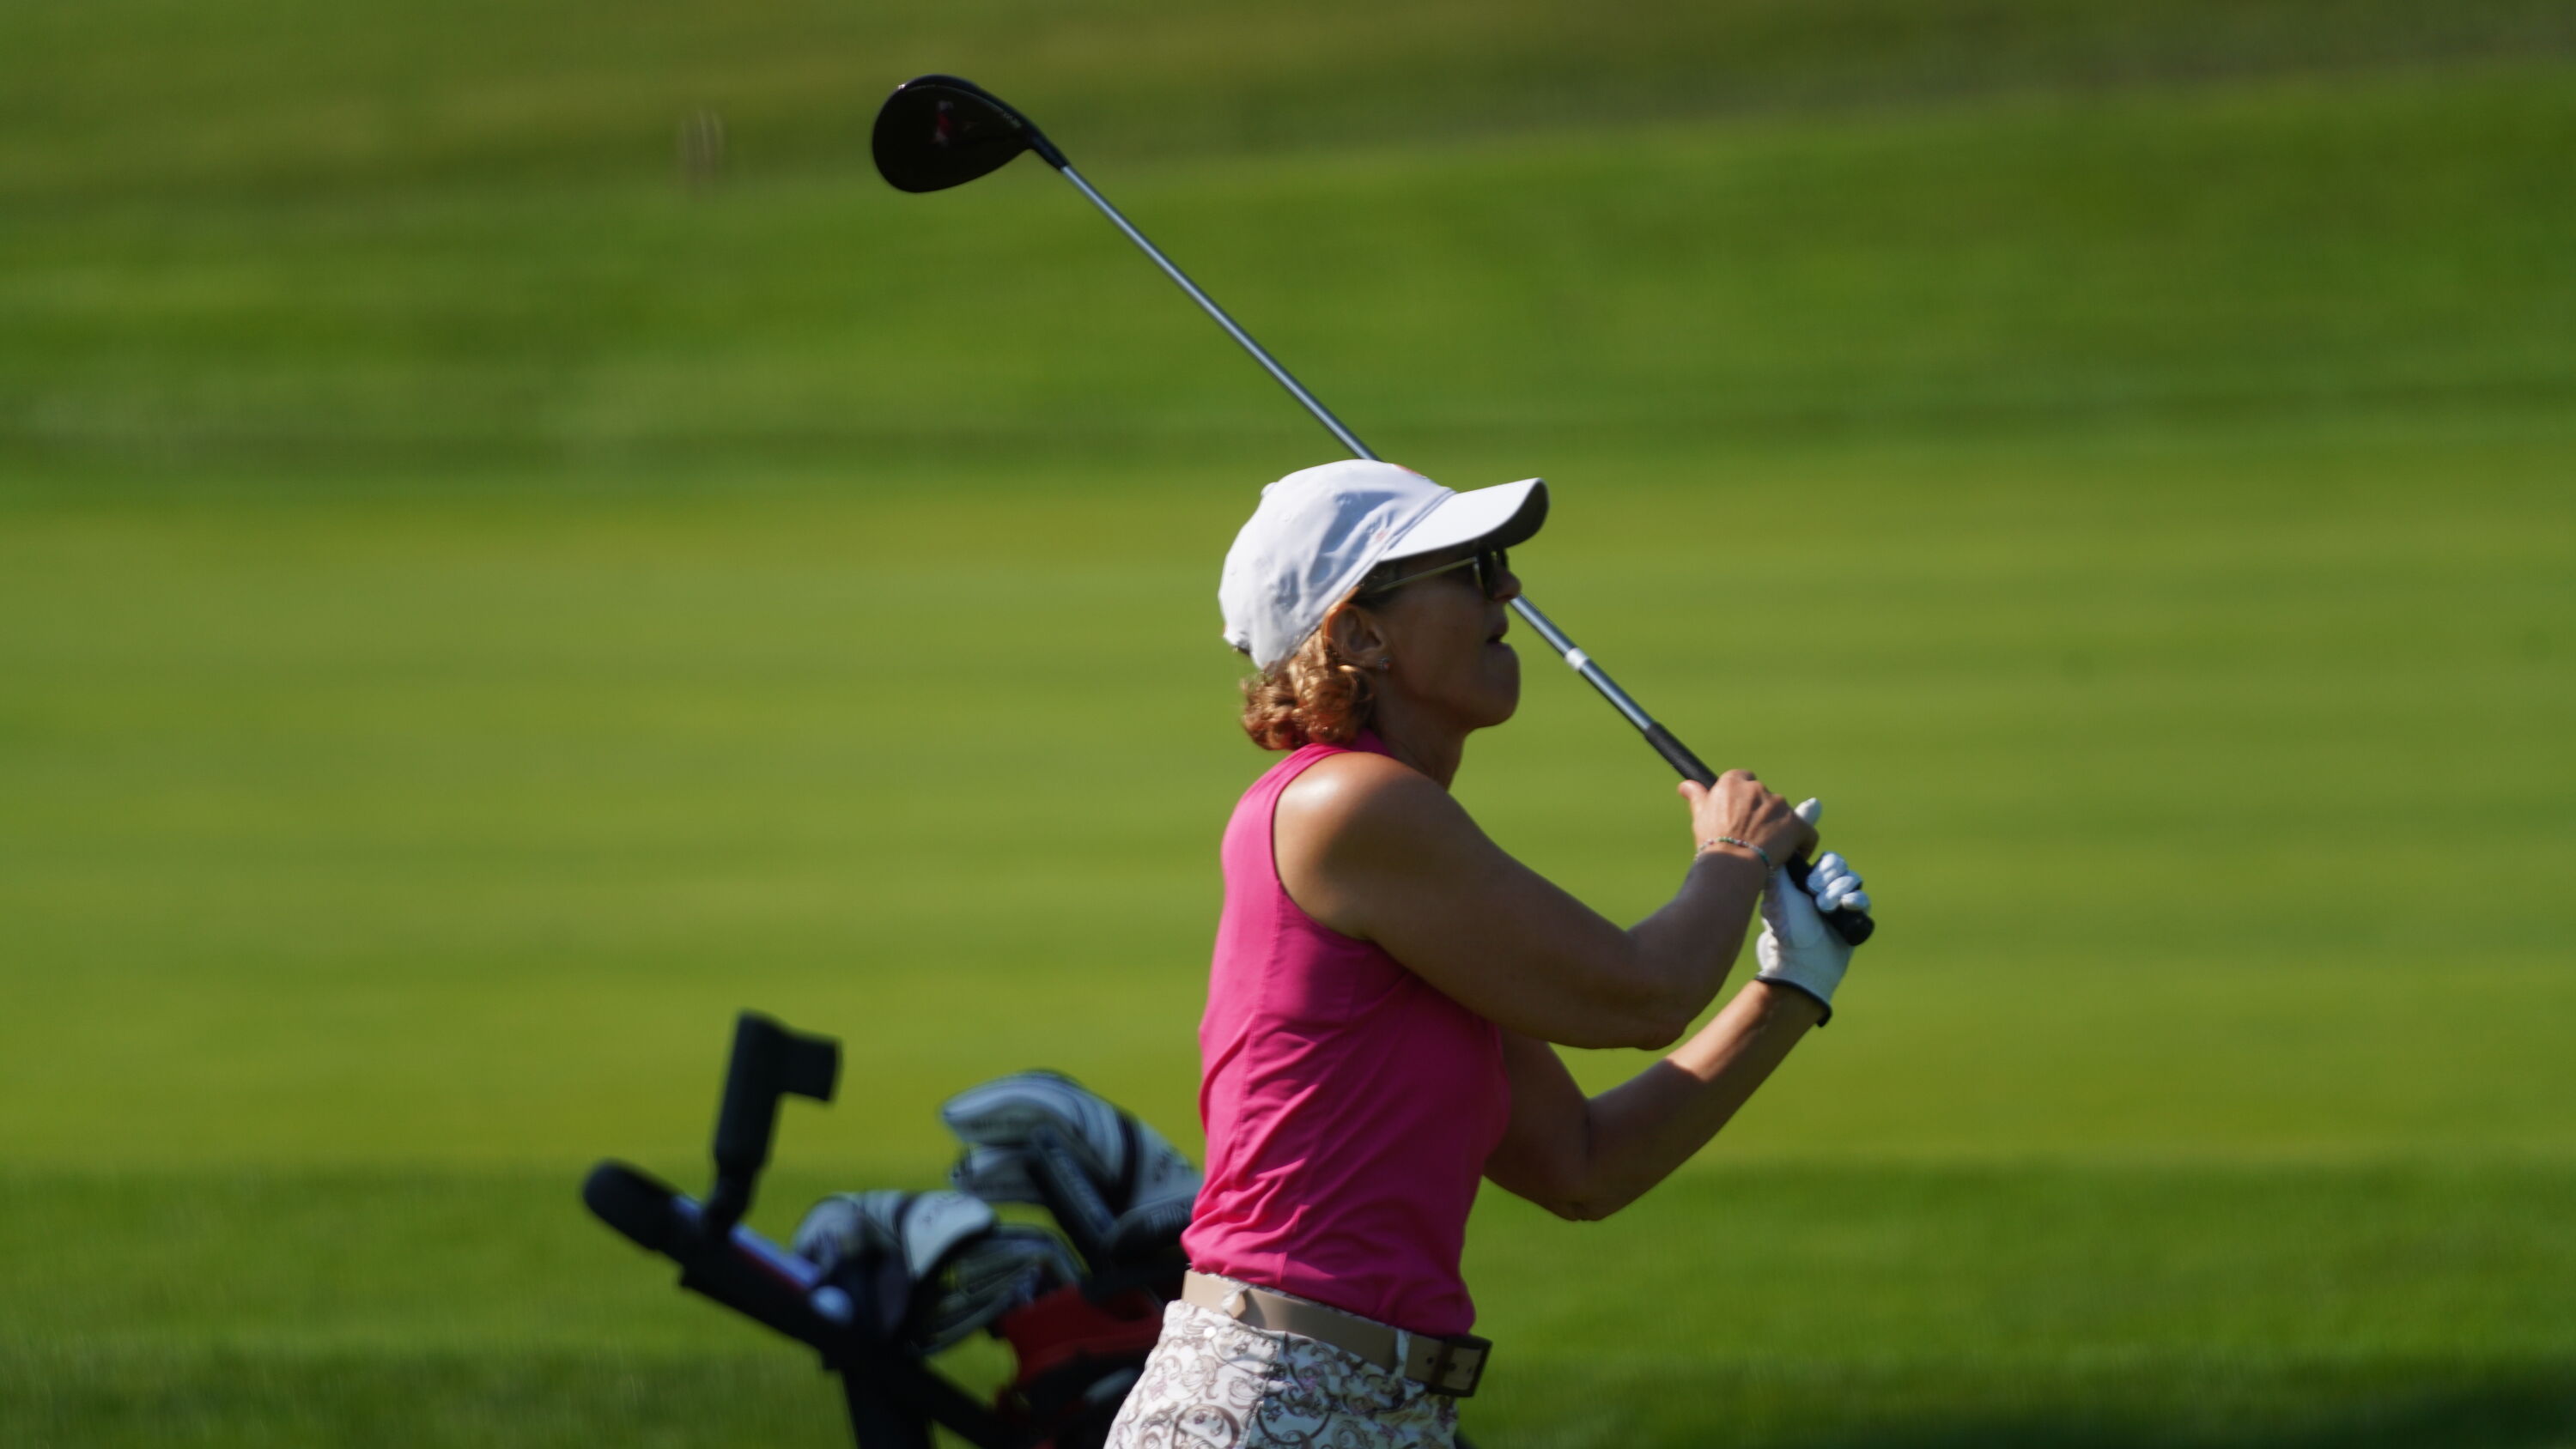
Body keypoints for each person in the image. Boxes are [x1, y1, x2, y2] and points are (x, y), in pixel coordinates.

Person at [1104, 461, 1873, 1449]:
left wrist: (1792, 983)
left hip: (1369, 1403)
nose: (1506, 585)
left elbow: (1583, 1164)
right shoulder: (1346, 803)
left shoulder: (1408, 870)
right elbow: (1642, 996)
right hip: (1275, 1396)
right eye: (1470, 568)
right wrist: (1733, 852)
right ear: (1359, 633)